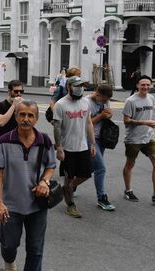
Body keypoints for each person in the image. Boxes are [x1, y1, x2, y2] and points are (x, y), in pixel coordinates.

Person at [0, 100, 56, 271]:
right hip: (10, 207)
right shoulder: (4, 141)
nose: (26, 119)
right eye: (22, 114)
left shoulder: (45, 140)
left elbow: (50, 166)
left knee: (35, 251)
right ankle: (9, 263)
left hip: (37, 206)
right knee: (8, 247)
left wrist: (45, 181)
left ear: (36, 119)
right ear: (15, 117)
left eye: (30, 115)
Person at [122, 75, 155, 207]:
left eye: (148, 85)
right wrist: (145, 122)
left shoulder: (151, 98)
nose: (145, 87)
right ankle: (128, 190)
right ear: (137, 85)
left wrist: (148, 125)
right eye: (143, 85)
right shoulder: (130, 101)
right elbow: (126, 121)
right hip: (133, 139)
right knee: (130, 164)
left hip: (149, 136)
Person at [53, 76, 96, 218]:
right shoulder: (60, 104)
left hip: (83, 146)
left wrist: (92, 143)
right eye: (77, 86)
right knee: (69, 177)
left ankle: (67, 189)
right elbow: (57, 128)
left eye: (82, 86)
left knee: (86, 174)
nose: (80, 88)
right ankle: (70, 205)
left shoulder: (85, 102)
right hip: (67, 148)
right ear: (69, 87)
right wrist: (59, 147)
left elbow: (89, 123)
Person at [86, 84, 116, 211]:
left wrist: (109, 114)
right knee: (101, 168)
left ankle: (72, 185)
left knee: (93, 167)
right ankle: (102, 198)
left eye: (108, 100)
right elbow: (85, 123)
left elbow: (108, 115)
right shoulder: (86, 103)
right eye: (104, 100)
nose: (106, 102)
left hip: (102, 138)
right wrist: (101, 116)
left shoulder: (105, 101)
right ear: (97, 94)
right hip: (89, 139)